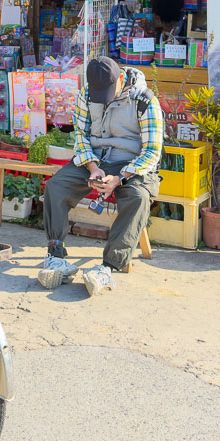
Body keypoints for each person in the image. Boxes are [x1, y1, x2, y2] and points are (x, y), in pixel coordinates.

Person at [40, 58, 163, 293]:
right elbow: (80, 135)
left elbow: (152, 152)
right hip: (95, 161)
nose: (101, 97)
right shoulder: (86, 94)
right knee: (56, 186)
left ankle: (108, 268)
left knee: (138, 198)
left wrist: (120, 178)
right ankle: (55, 257)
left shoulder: (145, 101)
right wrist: (93, 167)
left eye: (106, 92)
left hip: (131, 163)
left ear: (120, 80)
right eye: (97, 93)